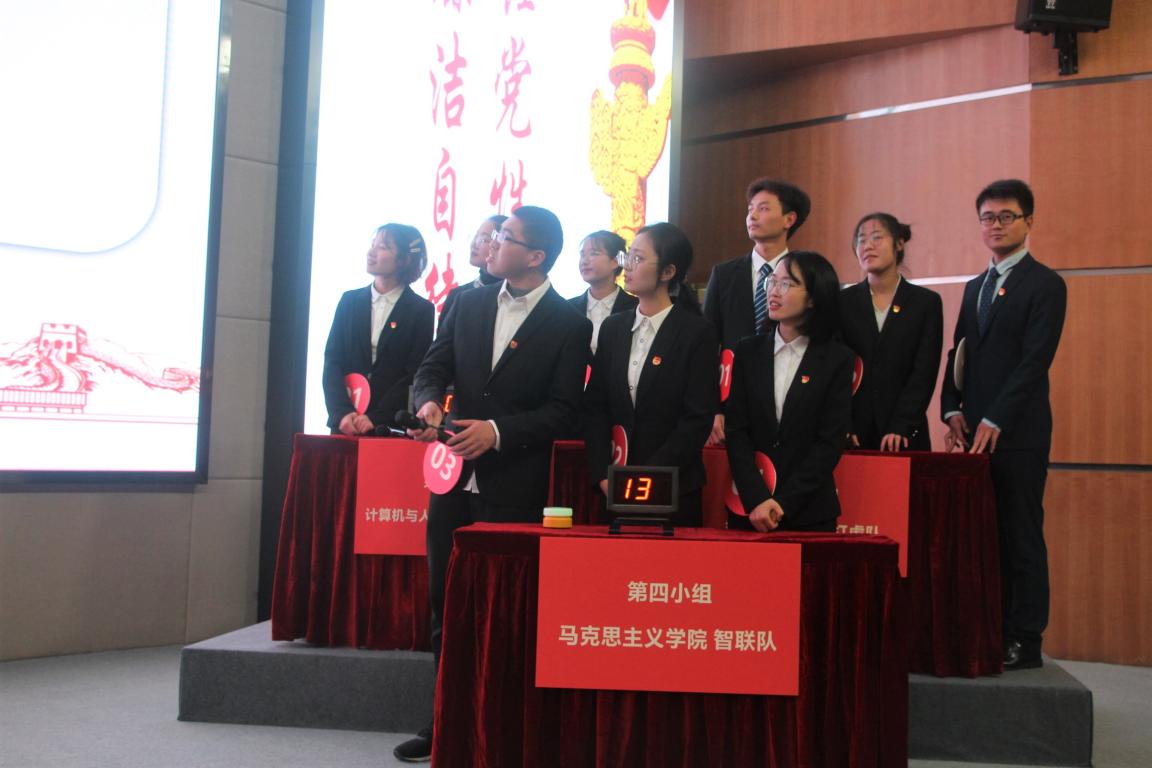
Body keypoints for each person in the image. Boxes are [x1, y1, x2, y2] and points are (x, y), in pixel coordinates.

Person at [395, 206, 591, 761]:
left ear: (536, 256)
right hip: (452, 478)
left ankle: (502, 724)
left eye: (505, 237)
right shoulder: (467, 302)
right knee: (445, 599)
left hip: (516, 483)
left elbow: (564, 410)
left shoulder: (569, 323)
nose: (492, 244)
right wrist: (427, 402)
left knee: (506, 610)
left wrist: (498, 433)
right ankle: (443, 720)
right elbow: (432, 368)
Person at [941, 179, 1066, 671]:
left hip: (1019, 434)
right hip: (974, 435)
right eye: (988, 218)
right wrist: (951, 408)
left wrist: (997, 416)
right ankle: (992, 630)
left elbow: (1035, 361)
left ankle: (1025, 638)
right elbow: (959, 354)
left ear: (1028, 221)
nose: (995, 225)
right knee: (985, 536)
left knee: (1021, 534)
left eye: (1006, 216)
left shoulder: (1045, 284)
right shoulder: (976, 286)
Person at [582, 223, 718, 527]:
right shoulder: (613, 327)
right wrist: (602, 473)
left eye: (639, 258)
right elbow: (596, 406)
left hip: (673, 486)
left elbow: (697, 417)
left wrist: (645, 476)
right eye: (628, 256)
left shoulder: (696, 333)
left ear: (668, 271)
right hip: (614, 484)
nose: (627, 266)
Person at [725, 251, 853, 533]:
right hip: (749, 507)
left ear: (813, 298)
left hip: (809, 510)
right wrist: (757, 498)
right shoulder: (748, 351)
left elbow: (829, 442)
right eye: (772, 281)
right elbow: (737, 432)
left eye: (786, 284)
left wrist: (783, 503)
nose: (773, 291)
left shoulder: (837, 360)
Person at [702, 178, 811, 445]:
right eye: (750, 209)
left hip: (789, 403)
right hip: (731, 406)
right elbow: (706, 345)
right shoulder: (724, 275)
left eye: (763, 208)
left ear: (789, 219)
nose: (752, 216)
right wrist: (712, 408)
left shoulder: (807, 274)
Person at [839, 213, 943, 451]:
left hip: (904, 434)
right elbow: (835, 370)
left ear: (899, 244)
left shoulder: (925, 303)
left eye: (877, 237)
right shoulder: (843, 302)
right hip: (852, 435)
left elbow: (924, 372)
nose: (868, 246)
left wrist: (902, 424)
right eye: (861, 240)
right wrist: (844, 423)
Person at [321, 223, 434, 435]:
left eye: (383, 247)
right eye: (372, 245)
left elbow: (414, 372)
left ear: (404, 259)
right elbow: (333, 360)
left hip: (387, 425)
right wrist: (341, 412)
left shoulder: (421, 310)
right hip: (346, 422)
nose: (371, 252)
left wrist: (377, 416)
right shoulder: (349, 301)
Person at [567, 229, 638, 354]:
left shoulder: (636, 308)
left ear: (615, 261)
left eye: (594, 253)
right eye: (582, 254)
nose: (584, 261)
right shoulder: (568, 308)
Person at [439, 214, 507, 323]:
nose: (474, 244)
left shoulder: (508, 296)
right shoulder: (458, 294)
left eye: (484, 239)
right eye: (476, 236)